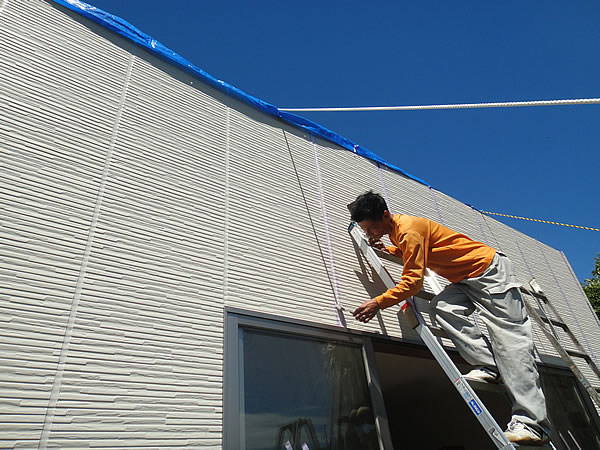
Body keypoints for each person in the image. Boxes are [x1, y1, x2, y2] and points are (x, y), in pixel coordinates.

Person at [349, 191, 550, 445]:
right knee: (443, 307)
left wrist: (378, 302)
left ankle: (533, 425)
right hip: (465, 279)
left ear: (386, 215)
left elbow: (412, 283)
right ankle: (489, 366)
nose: (370, 234)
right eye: (366, 230)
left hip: (489, 272)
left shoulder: (408, 230)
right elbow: (414, 250)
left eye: (372, 228)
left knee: (511, 345)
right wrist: (389, 249)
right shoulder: (398, 232)